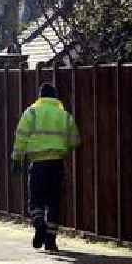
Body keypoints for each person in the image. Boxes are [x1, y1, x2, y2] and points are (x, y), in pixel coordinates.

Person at [12, 83, 80, 252]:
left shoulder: (32, 113)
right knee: (54, 203)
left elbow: (21, 136)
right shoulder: (64, 115)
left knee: (35, 200)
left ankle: (39, 223)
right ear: (55, 96)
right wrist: (63, 150)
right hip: (57, 164)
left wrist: (16, 158)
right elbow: (75, 141)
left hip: (38, 164)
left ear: (40, 96)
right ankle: (50, 241)